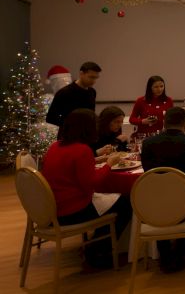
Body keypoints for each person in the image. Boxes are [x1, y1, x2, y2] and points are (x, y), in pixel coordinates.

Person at [41, 109, 131, 269]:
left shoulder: (56, 146)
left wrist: (97, 159)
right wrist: (109, 164)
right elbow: (93, 183)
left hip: (52, 207)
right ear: (87, 128)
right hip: (72, 210)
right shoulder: (81, 150)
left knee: (115, 199)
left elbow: (72, 170)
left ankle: (95, 246)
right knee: (127, 202)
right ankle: (98, 251)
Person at [140, 107, 185, 273]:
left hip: (154, 206)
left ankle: (165, 254)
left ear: (164, 122)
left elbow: (147, 171)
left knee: (158, 205)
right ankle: (181, 251)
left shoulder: (148, 143)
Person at [46, 61, 101, 131]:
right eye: (91, 77)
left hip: (86, 134)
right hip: (68, 135)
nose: (94, 81)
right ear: (81, 74)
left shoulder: (92, 92)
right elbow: (51, 118)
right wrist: (70, 126)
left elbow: (91, 114)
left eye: (96, 78)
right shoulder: (64, 93)